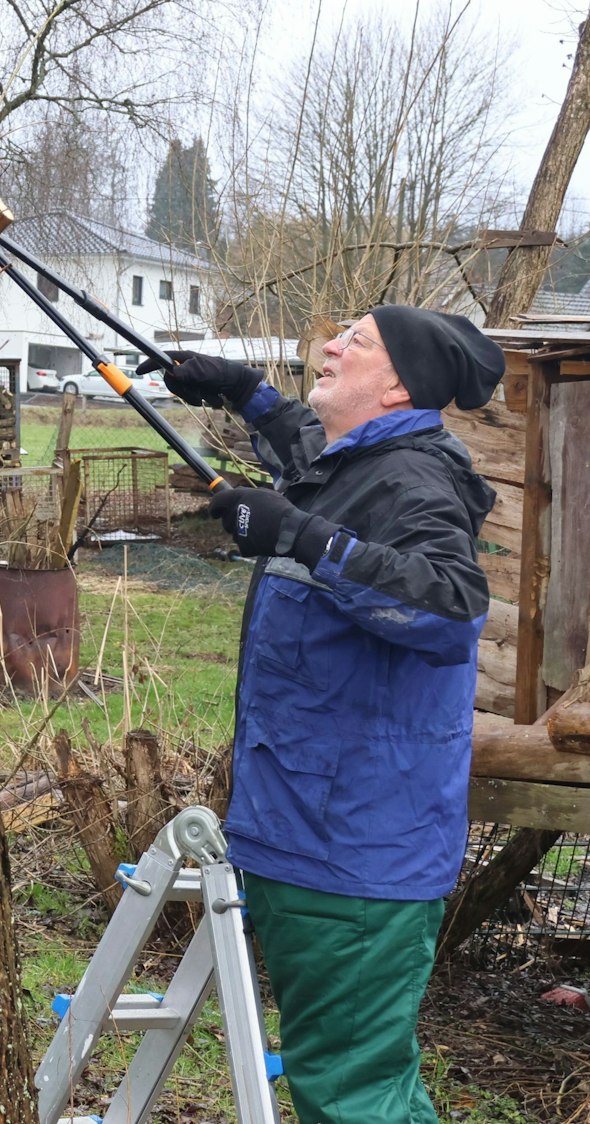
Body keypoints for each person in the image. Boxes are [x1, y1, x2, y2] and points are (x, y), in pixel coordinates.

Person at [139, 308, 503, 1123]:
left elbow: (448, 610)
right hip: (306, 830)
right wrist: (242, 393)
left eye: (358, 342)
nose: (331, 346)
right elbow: (307, 448)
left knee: (351, 1093)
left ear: (401, 384)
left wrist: (305, 538)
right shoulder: (359, 460)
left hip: (359, 853)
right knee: (352, 1077)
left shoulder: (413, 480)